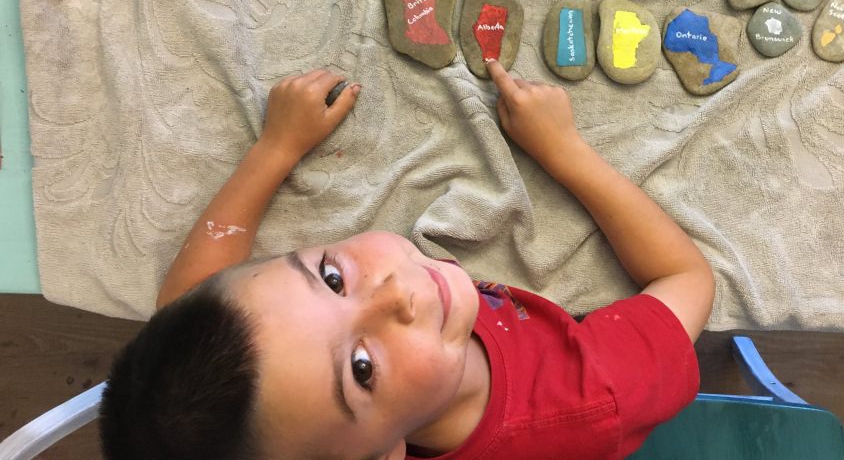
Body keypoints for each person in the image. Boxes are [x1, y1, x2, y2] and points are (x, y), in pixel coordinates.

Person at [99, 62, 715, 460]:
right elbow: (685, 277)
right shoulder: (586, 401)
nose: (394, 293)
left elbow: (191, 293)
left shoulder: (215, 377)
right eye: (362, 369)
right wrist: (564, 150)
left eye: (332, 277)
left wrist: (276, 146)